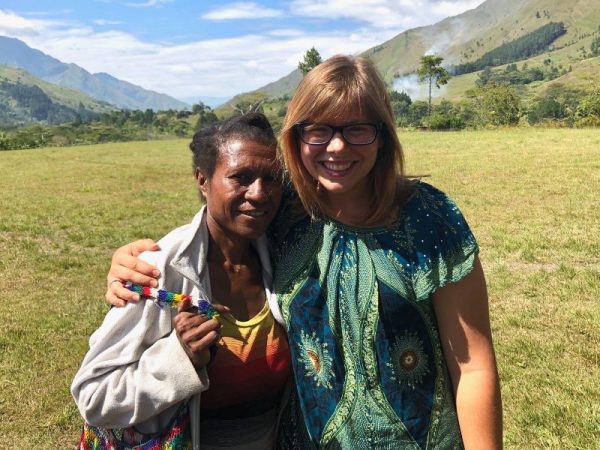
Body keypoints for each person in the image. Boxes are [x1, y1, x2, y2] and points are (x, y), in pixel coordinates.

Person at [105, 55, 503, 449]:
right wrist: (130, 266)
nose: (336, 146)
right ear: (296, 136)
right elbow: (215, 226)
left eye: (357, 129)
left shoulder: (429, 219)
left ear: (382, 135)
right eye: (318, 130)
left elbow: (474, 366)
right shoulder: (284, 212)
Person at [72, 113, 293, 450]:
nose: (259, 193)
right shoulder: (159, 272)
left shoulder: (286, 257)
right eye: (241, 177)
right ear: (202, 181)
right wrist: (178, 358)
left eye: (271, 178)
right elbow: (94, 395)